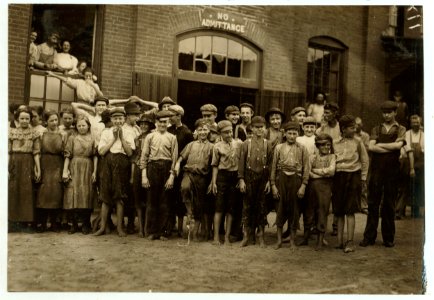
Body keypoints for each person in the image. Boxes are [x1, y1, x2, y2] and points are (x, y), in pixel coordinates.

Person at [360, 101, 406, 248]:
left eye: (389, 112)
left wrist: (380, 146)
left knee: (389, 204)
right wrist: (390, 148)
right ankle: (369, 237)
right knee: (373, 202)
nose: (386, 115)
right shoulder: (376, 128)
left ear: (395, 113)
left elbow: (399, 146)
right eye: (384, 112)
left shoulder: (401, 129)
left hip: (392, 170)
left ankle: (388, 238)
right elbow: (371, 147)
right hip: (377, 169)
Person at [94, 107, 134, 237]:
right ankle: (102, 227)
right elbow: (101, 152)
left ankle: (120, 228)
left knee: (119, 197)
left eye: (120, 118)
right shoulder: (106, 132)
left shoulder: (129, 132)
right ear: (111, 119)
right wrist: (113, 139)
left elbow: (129, 152)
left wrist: (121, 138)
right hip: (107, 163)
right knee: (105, 197)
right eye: (115, 118)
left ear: (124, 119)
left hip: (122, 163)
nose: (118, 121)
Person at [271, 121, 310, 250]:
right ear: (285, 133)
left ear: (298, 134)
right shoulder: (279, 148)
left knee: (294, 210)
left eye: (294, 133)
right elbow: (273, 168)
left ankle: (293, 241)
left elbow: (306, 168)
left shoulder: (302, 148)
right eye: (289, 133)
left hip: (296, 180)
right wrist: (273, 185)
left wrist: (303, 185)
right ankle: (279, 241)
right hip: (281, 179)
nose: (292, 136)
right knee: (280, 209)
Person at [332, 115, 369, 253]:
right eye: (352, 127)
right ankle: (340, 241)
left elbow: (365, 161)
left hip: (353, 177)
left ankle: (350, 242)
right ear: (343, 129)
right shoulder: (335, 143)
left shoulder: (358, 142)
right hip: (338, 177)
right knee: (339, 210)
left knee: (350, 210)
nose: (355, 129)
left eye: (355, 127)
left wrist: (363, 179)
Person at [140, 110, 178, 240]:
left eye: (165, 122)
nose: (162, 124)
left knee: (165, 201)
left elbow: (174, 158)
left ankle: (163, 232)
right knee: (152, 201)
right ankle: (152, 231)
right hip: (152, 167)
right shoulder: (149, 137)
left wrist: (172, 176)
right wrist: (144, 175)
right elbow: (144, 157)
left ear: (168, 123)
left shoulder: (172, 138)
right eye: (160, 122)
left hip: (166, 168)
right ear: (156, 123)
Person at [174, 119, 214, 241]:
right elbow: (182, 157)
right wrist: (177, 164)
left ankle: (194, 233)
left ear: (208, 131)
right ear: (196, 131)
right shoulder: (191, 145)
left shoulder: (212, 147)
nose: (202, 132)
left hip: (202, 177)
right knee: (185, 187)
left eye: (205, 130)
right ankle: (188, 209)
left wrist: (212, 181)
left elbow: (213, 166)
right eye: (200, 130)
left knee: (199, 204)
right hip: (188, 173)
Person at [238, 116, 272, 248]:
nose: (259, 130)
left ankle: (261, 236)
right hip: (249, 176)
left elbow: (270, 163)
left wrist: (269, 181)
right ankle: (247, 235)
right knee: (247, 206)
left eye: (261, 127)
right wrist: (241, 180)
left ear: (265, 128)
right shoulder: (246, 143)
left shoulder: (267, 144)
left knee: (261, 207)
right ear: (251, 128)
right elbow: (241, 162)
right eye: (256, 127)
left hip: (263, 178)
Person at [62, 115, 98, 235]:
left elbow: (95, 156)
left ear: (88, 126)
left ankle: (85, 224)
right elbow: (68, 155)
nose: (82, 127)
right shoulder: (72, 138)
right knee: (72, 194)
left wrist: (95, 171)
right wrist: (65, 170)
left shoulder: (92, 139)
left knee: (86, 195)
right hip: (74, 166)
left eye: (84, 125)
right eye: (79, 125)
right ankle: (73, 224)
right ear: (76, 127)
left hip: (88, 167)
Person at [8, 107, 41, 232]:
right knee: (13, 191)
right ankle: (12, 222)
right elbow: (8, 152)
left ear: (30, 120)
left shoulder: (34, 133)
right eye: (22, 118)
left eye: (27, 118)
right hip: (14, 162)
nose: (24, 121)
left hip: (28, 162)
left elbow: (36, 153)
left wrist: (38, 169)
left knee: (27, 192)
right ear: (17, 119)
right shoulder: (11, 132)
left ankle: (27, 222)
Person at [210, 120, 243, 245]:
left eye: (230, 131)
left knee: (231, 209)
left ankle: (227, 237)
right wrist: (214, 182)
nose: (229, 134)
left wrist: (240, 178)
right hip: (222, 177)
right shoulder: (217, 146)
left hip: (234, 177)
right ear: (220, 134)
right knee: (219, 208)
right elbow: (215, 165)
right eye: (225, 133)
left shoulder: (239, 144)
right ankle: (216, 237)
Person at [36, 110, 66, 233]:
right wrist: (37, 169)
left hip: (58, 164)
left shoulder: (62, 134)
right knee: (43, 193)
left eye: (56, 120)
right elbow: (37, 151)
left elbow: (66, 151)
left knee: (56, 193)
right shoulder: (41, 134)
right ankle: (42, 223)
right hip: (45, 164)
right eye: (51, 120)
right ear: (46, 122)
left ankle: (54, 223)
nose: (54, 122)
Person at [168, 104, 194, 237]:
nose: (169, 117)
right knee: (169, 197)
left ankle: (180, 228)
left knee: (180, 198)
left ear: (178, 116)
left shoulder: (187, 132)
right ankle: (169, 226)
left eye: (171, 115)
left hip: (181, 169)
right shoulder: (168, 130)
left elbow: (189, 152)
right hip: (169, 169)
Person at [316, 102, 341, 236]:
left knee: (336, 195)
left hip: (339, 164)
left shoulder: (340, 127)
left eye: (327, 113)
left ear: (335, 113)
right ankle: (319, 225)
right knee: (322, 195)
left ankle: (336, 224)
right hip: (325, 164)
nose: (325, 115)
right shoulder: (322, 128)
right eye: (324, 113)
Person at [309, 133, 336, 250]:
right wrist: (318, 174)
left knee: (322, 211)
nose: (325, 148)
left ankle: (320, 240)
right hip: (312, 187)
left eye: (328, 145)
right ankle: (307, 236)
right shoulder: (312, 157)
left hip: (325, 188)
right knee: (310, 211)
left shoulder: (332, 157)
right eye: (322, 145)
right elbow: (308, 172)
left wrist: (315, 171)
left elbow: (331, 171)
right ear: (317, 146)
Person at [295, 116, 318, 246]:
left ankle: (307, 234)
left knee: (310, 206)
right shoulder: (298, 139)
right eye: (307, 127)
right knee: (297, 204)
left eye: (312, 127)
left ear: (315, 128)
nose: (309, 129)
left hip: (312, 175)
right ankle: (292, 231)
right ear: (302, 127)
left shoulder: (317, 139)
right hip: (298, 174)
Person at [396, 114, 424, 218]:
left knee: (417, 187)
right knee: (404, 186)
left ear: (420, 123)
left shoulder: (424, 135)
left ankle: (415, 211)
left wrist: (420, 151)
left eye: (417, 122)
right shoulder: (407, 134)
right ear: (410, 124)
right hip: (407, 163)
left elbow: (425, 149)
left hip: (420, 164)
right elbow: (404, 148)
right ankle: (400, 211)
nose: (415, 124)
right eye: (413, 123)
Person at [132, 115, 155, 237]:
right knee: (138, 198)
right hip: (137, 168)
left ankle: (147, 227)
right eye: (141, 124)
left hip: (149, 168)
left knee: (149, 198)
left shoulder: (153, 137)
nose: (144, 126)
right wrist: (132, 175)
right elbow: (134, 156)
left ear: (150, 125)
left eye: (146, 124)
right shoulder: (136, 138)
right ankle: (140, 228)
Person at [123, 102, 142, 234]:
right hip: (125, 160)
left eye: (137, 115)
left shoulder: (137, 129)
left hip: (135, 161)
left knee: (133, 192)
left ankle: (131, 222)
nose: (136, 118)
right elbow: (129, 151)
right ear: (128, 116)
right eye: (134, 115)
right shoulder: (123, 129)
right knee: (126, 192)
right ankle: (123, 223)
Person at [355, 117, 370, 214]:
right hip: (354, 161)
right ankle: (355, 205)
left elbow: (367, 148)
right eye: (355, 124)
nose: (357, 126)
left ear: (362, 125)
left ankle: (364, 205)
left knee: (363, 184)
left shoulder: (365, 136)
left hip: (362, 160)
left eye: (359, 124)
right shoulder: (350, 134)